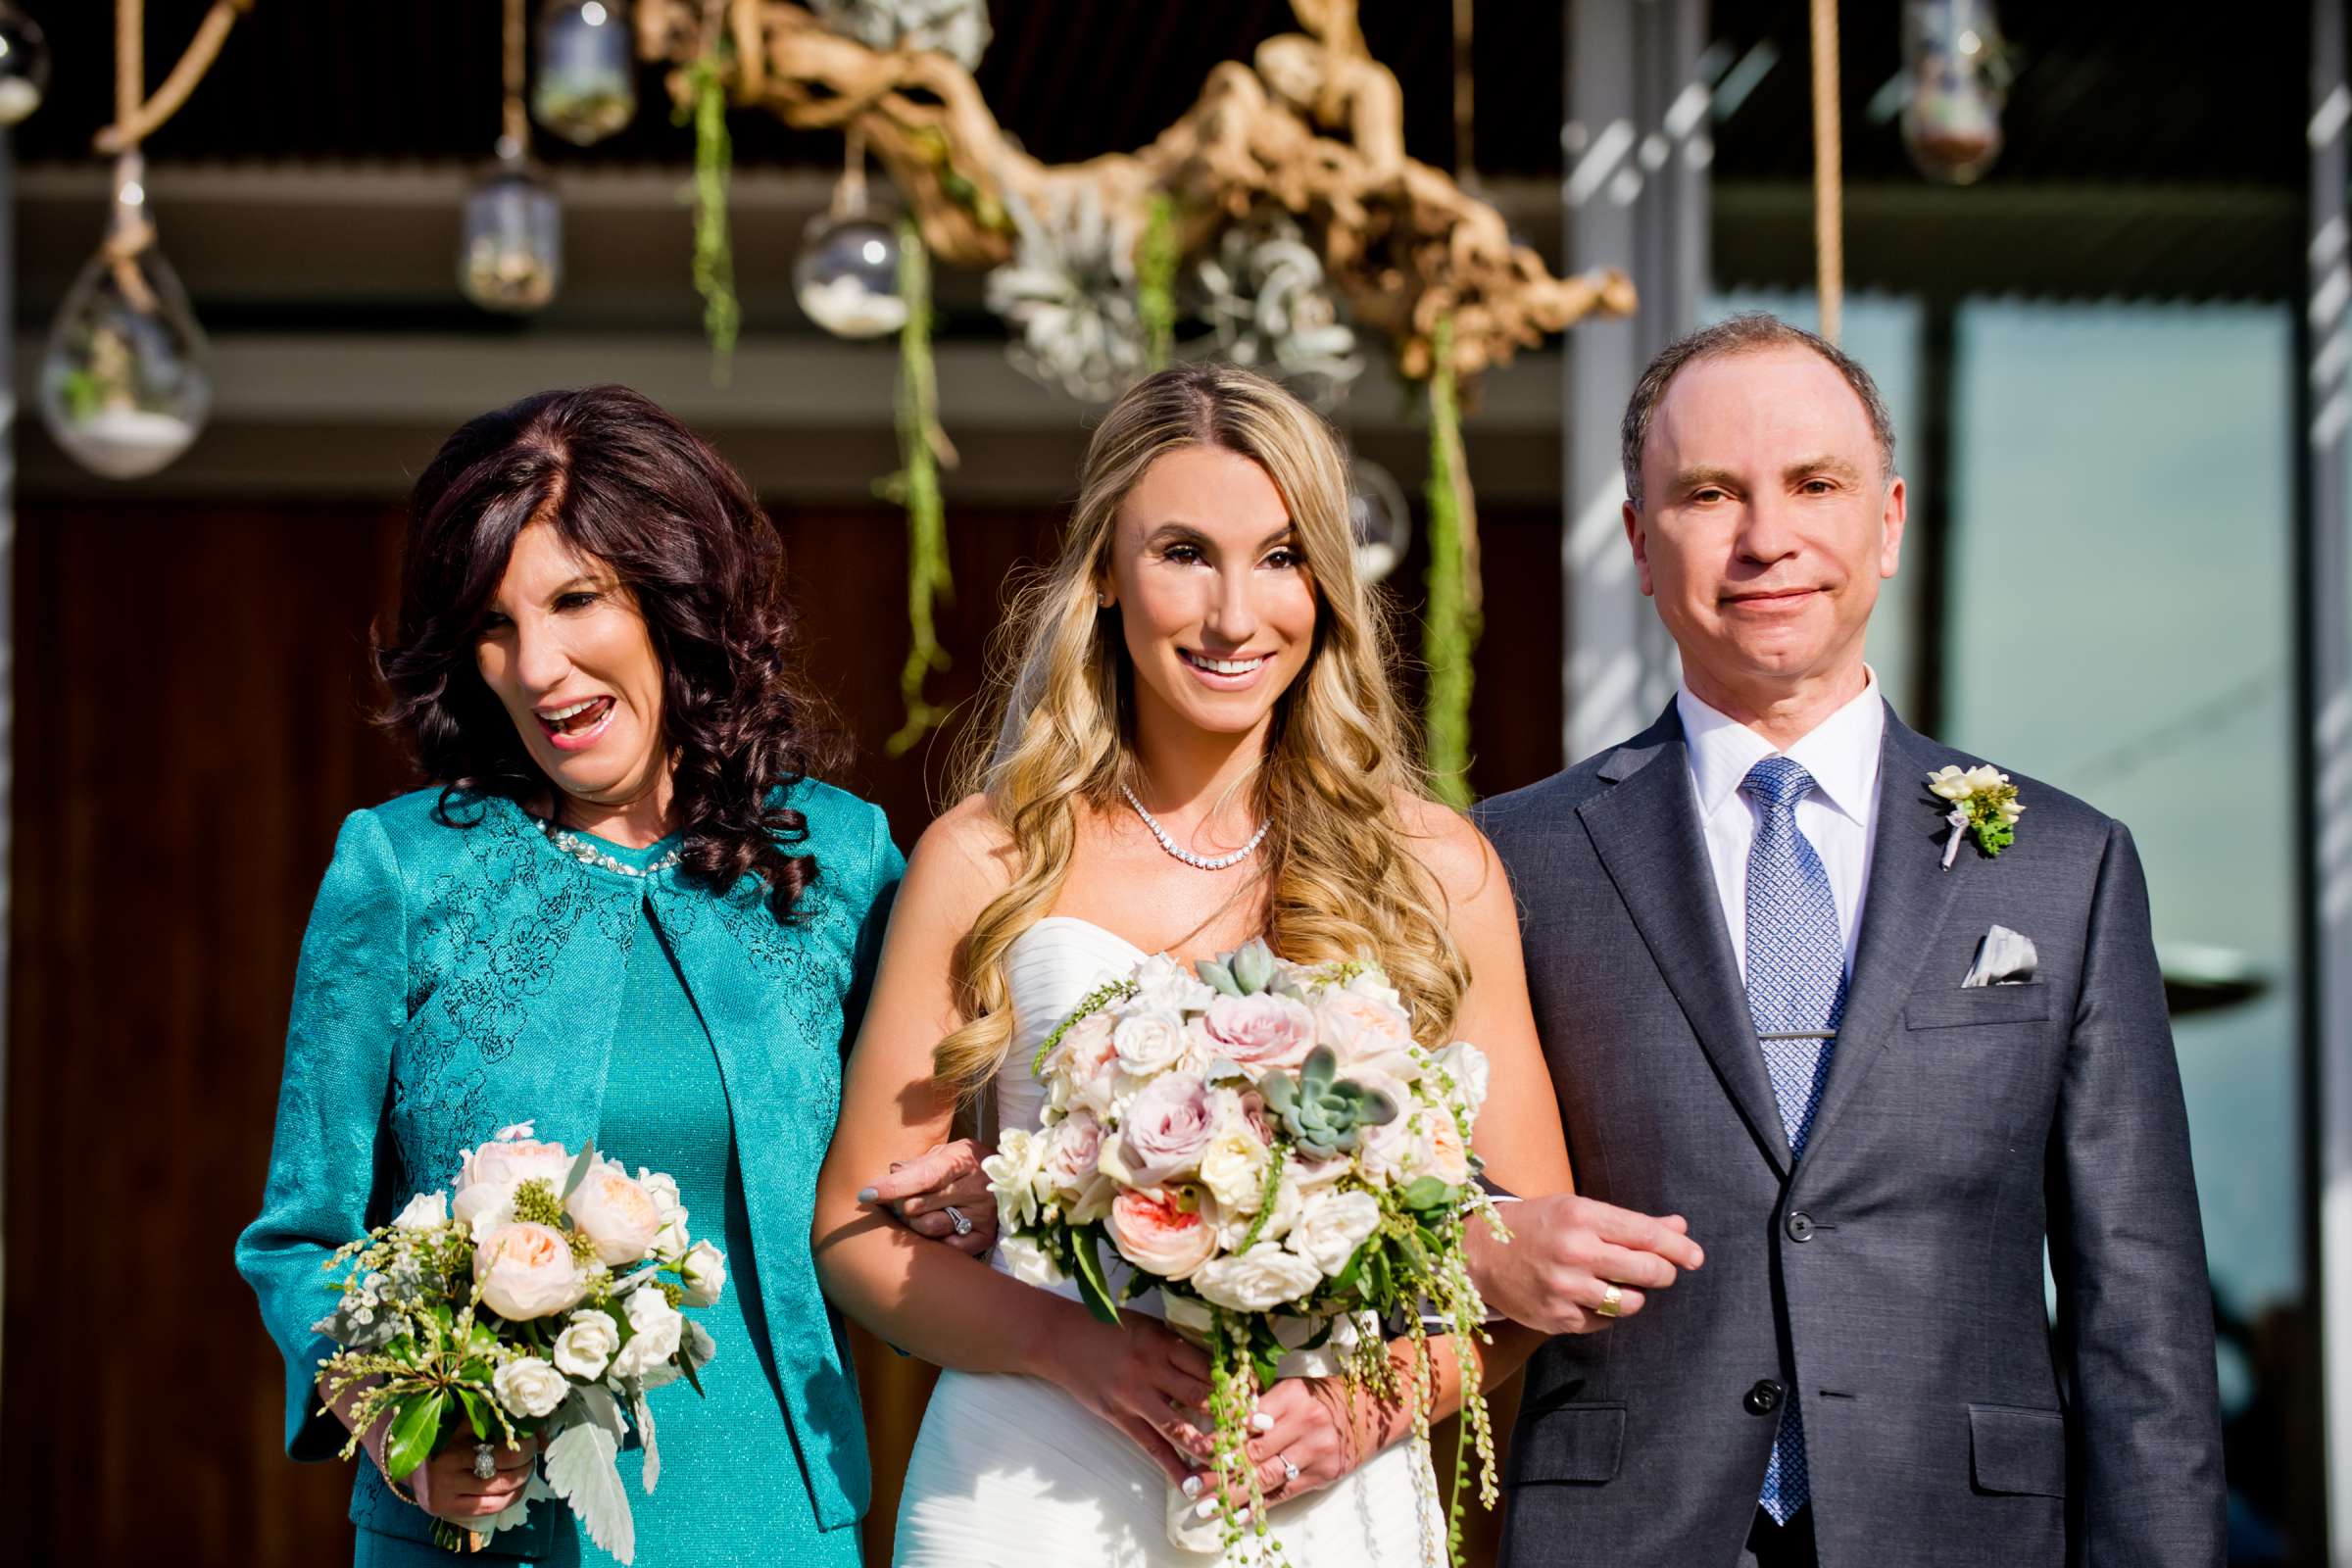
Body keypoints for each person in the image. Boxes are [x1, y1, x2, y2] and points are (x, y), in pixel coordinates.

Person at [813, 361, 1705, 1565]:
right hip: (1029, 1482)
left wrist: (1355, 1414)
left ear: (1328, 587)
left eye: (1281, 558)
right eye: (1184, 553)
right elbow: (857, 1234)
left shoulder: (1433, 870)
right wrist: (1085, 1351)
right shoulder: (988, 856)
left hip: (1323, 1501)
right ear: (1105, 580)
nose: (1235, 615)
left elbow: (1515, 1263)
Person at [1475, 314, 2227, 1567]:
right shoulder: (1512, 858)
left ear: (1885, 521)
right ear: (1637, 546)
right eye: (1710, 493)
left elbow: (2136, 1307)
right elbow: (1432, 1200)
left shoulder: (2063, 865)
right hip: (1626, 1528)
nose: (1767, 538)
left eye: (1811, 485)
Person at [234, 385, 988, 1566]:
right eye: (493, 625)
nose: (538, 667)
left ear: (675, 596)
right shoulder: (399, 869)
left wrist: (966, 1203)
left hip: (775, 1515)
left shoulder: (841, 862)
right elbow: (300, 1235)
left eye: (578, 599)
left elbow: (912, 1192)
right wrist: (391, 1420)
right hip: (470, 1530)